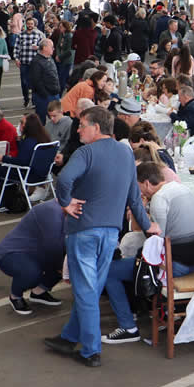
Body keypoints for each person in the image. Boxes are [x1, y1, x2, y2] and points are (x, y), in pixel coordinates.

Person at [46, 107, 157, 367]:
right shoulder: (126, 153)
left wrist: (66, 203)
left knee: (85, 290)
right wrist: (147, 225)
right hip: (109, 233)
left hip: (83, 230)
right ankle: (69, 336)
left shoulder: (85, 153)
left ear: (96, 127)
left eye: (82, 125)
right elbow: (134, 197)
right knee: (92, 288)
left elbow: (63, 180)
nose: (79, 129)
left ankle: (91, 350)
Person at [101, 161, 194, 344]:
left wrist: (140, 212)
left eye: (139, 188)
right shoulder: (181, 188)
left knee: (109, 270)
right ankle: (158, 313)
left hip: (176, 265)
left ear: (147, 183)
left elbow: (158, 241)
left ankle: (128, 326)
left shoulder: (159, 199)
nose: (140, 193)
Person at [0, 199, 67, 316]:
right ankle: (15, 296)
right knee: (32, 272)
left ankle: (39, 292)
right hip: (12, 253)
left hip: (39, 253)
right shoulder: (52, 211)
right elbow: (53, 246)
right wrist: (62, 267)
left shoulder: (75, 208)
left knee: (67, 263)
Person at [30, 37, 63, 122]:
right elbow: (36, 81)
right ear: (44, 48)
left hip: (54, 94)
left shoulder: (49, 58)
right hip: (44, 96)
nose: (53, 48)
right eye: (51, 46)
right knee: (41, 120)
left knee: (58, 118)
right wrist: (45, 94)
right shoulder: (37, 61)